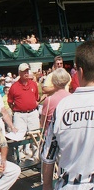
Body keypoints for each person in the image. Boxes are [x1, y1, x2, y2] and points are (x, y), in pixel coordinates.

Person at [42, 41, 94, 189]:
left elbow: (48, 156)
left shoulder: (62, 107)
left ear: (81, 72)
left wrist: (46, 187)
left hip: (70, 185)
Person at [7, 63, 39, 140]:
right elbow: (10, 102)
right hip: (20, 115)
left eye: (27, 71)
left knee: (35, 135)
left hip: (33, 113)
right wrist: (17, 110)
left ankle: (35, 151)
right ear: (19, 73)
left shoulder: (33, 84)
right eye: (24, 71)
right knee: (18, 137)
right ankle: (21, 151)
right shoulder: (14, 87)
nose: (26, 73)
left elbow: (36, 98)